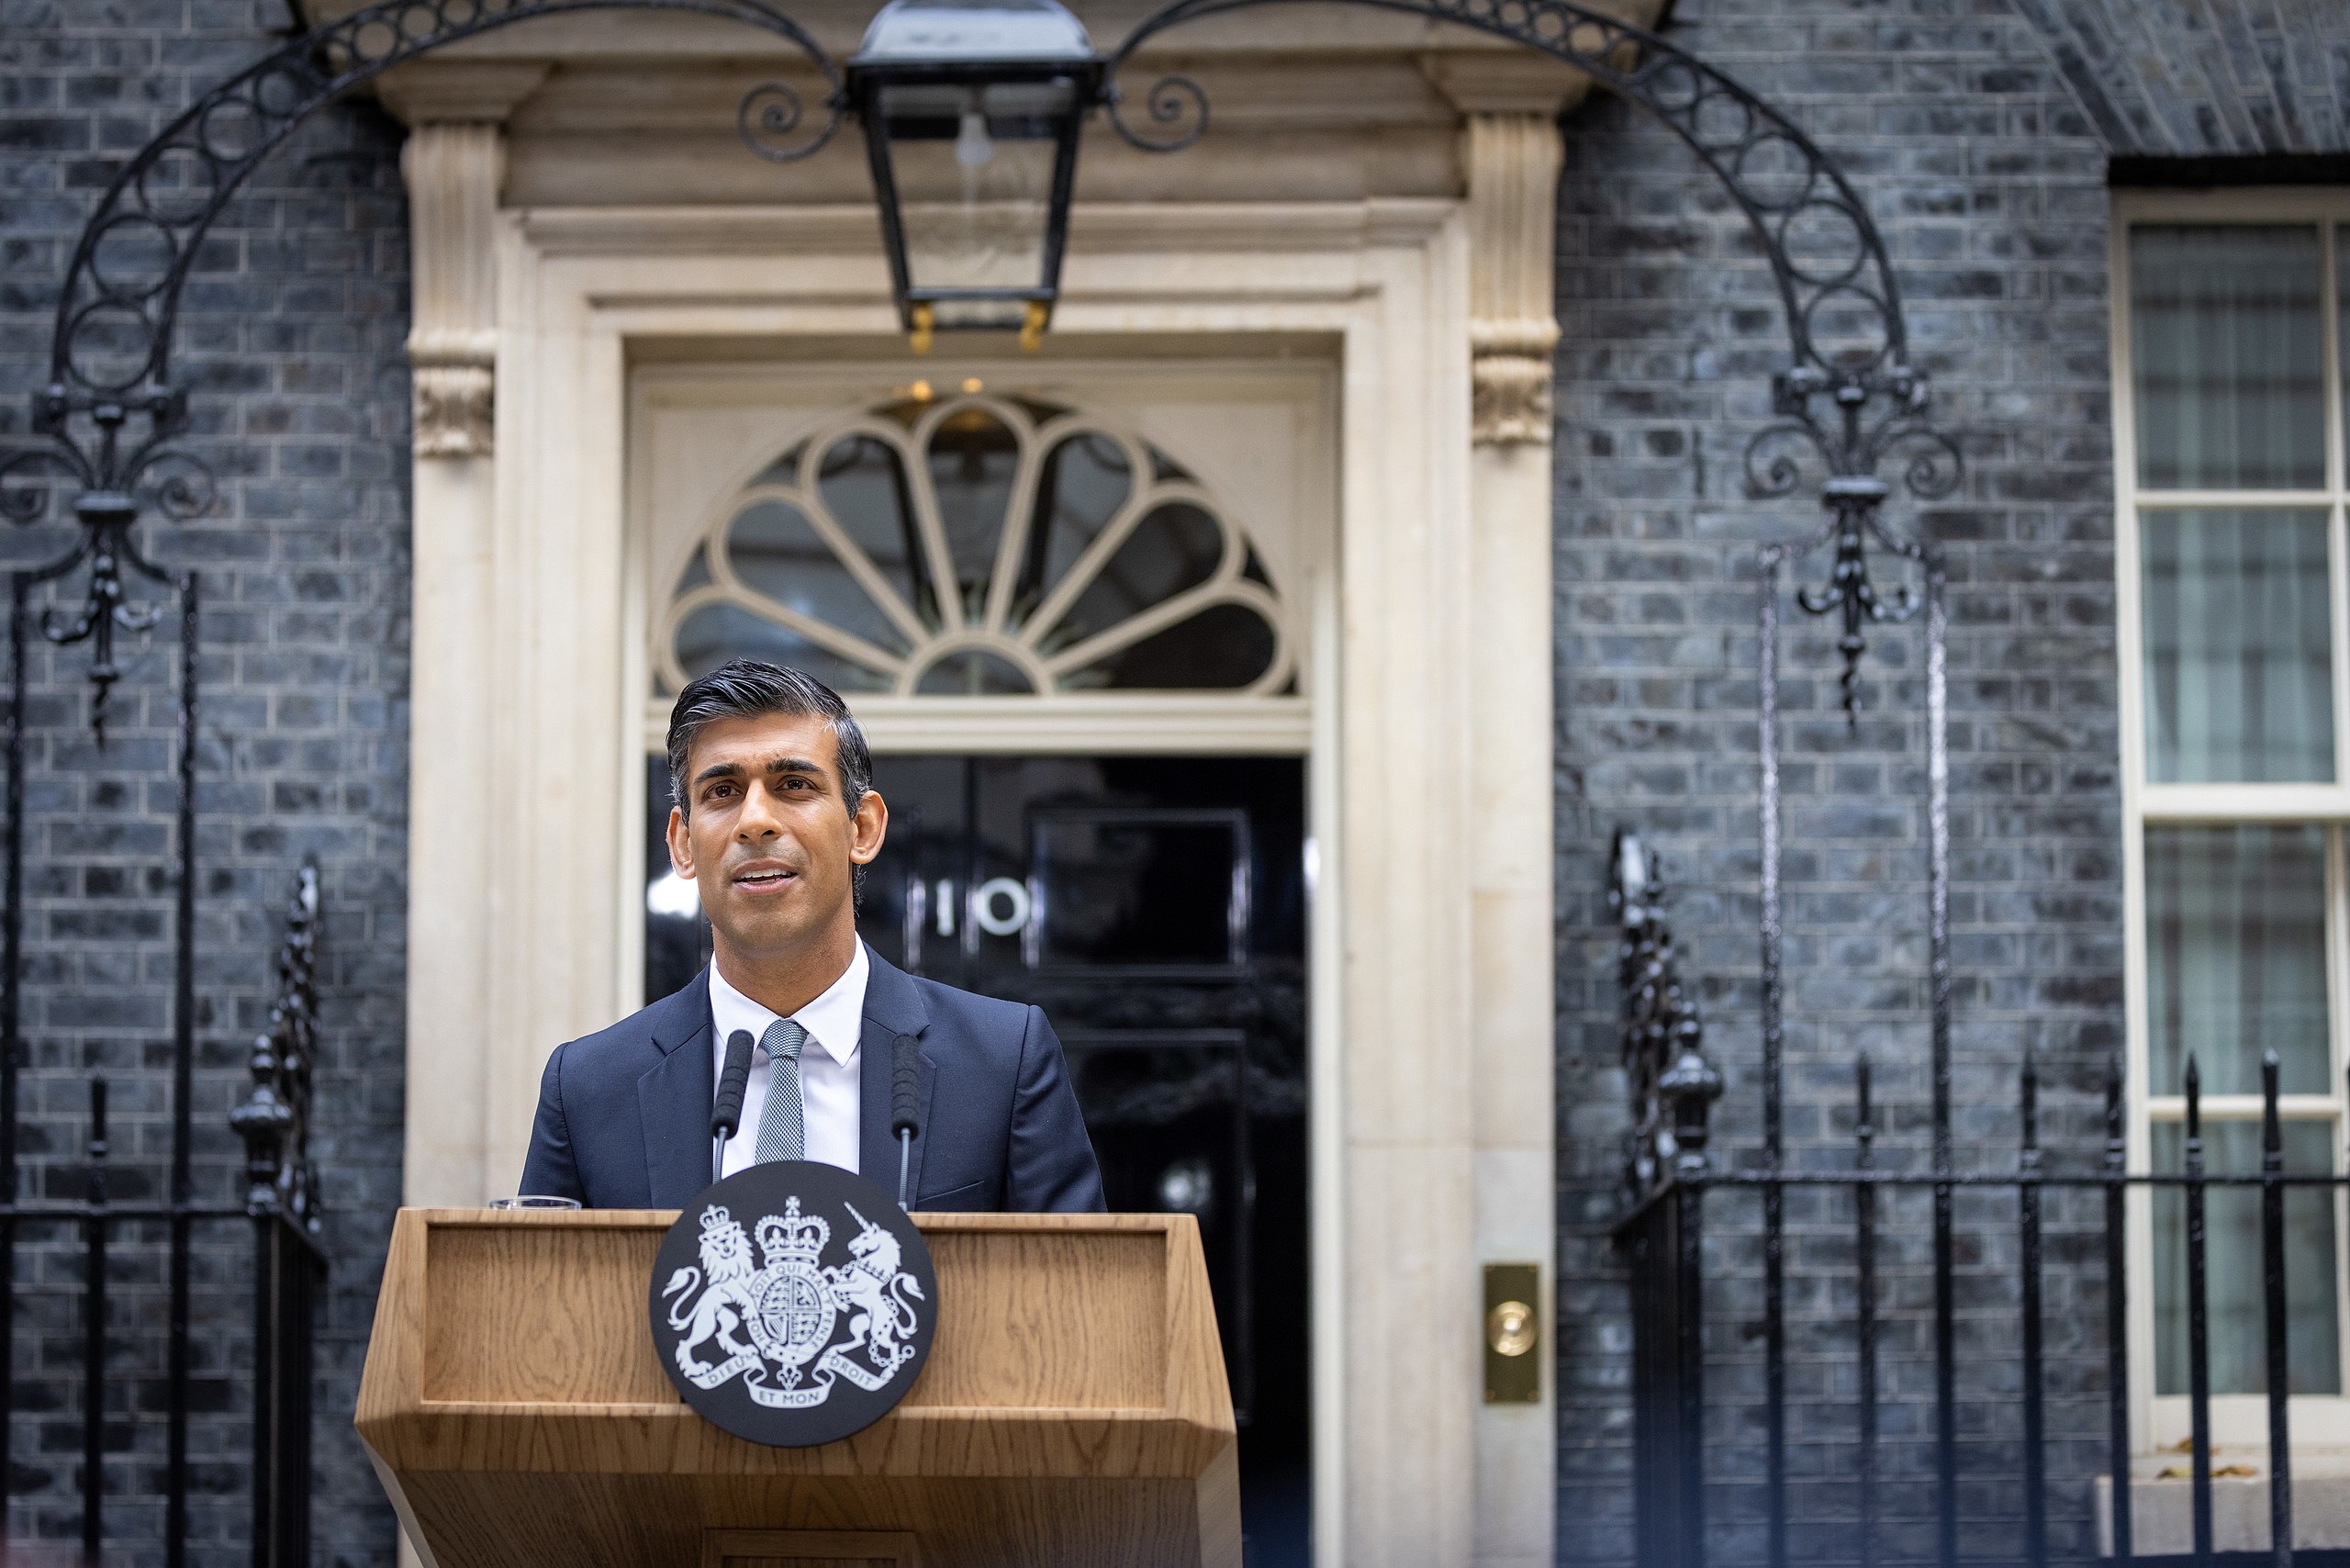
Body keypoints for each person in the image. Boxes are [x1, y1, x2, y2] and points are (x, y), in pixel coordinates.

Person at [519, 658, 1104, 1212]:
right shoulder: (589, 1087)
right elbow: (546, 1310)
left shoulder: (1003, 1061)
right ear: (681, 842)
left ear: (864, 828)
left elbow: (1073, 1300)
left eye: (794, 784)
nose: (755, 820)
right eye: (722, 792)